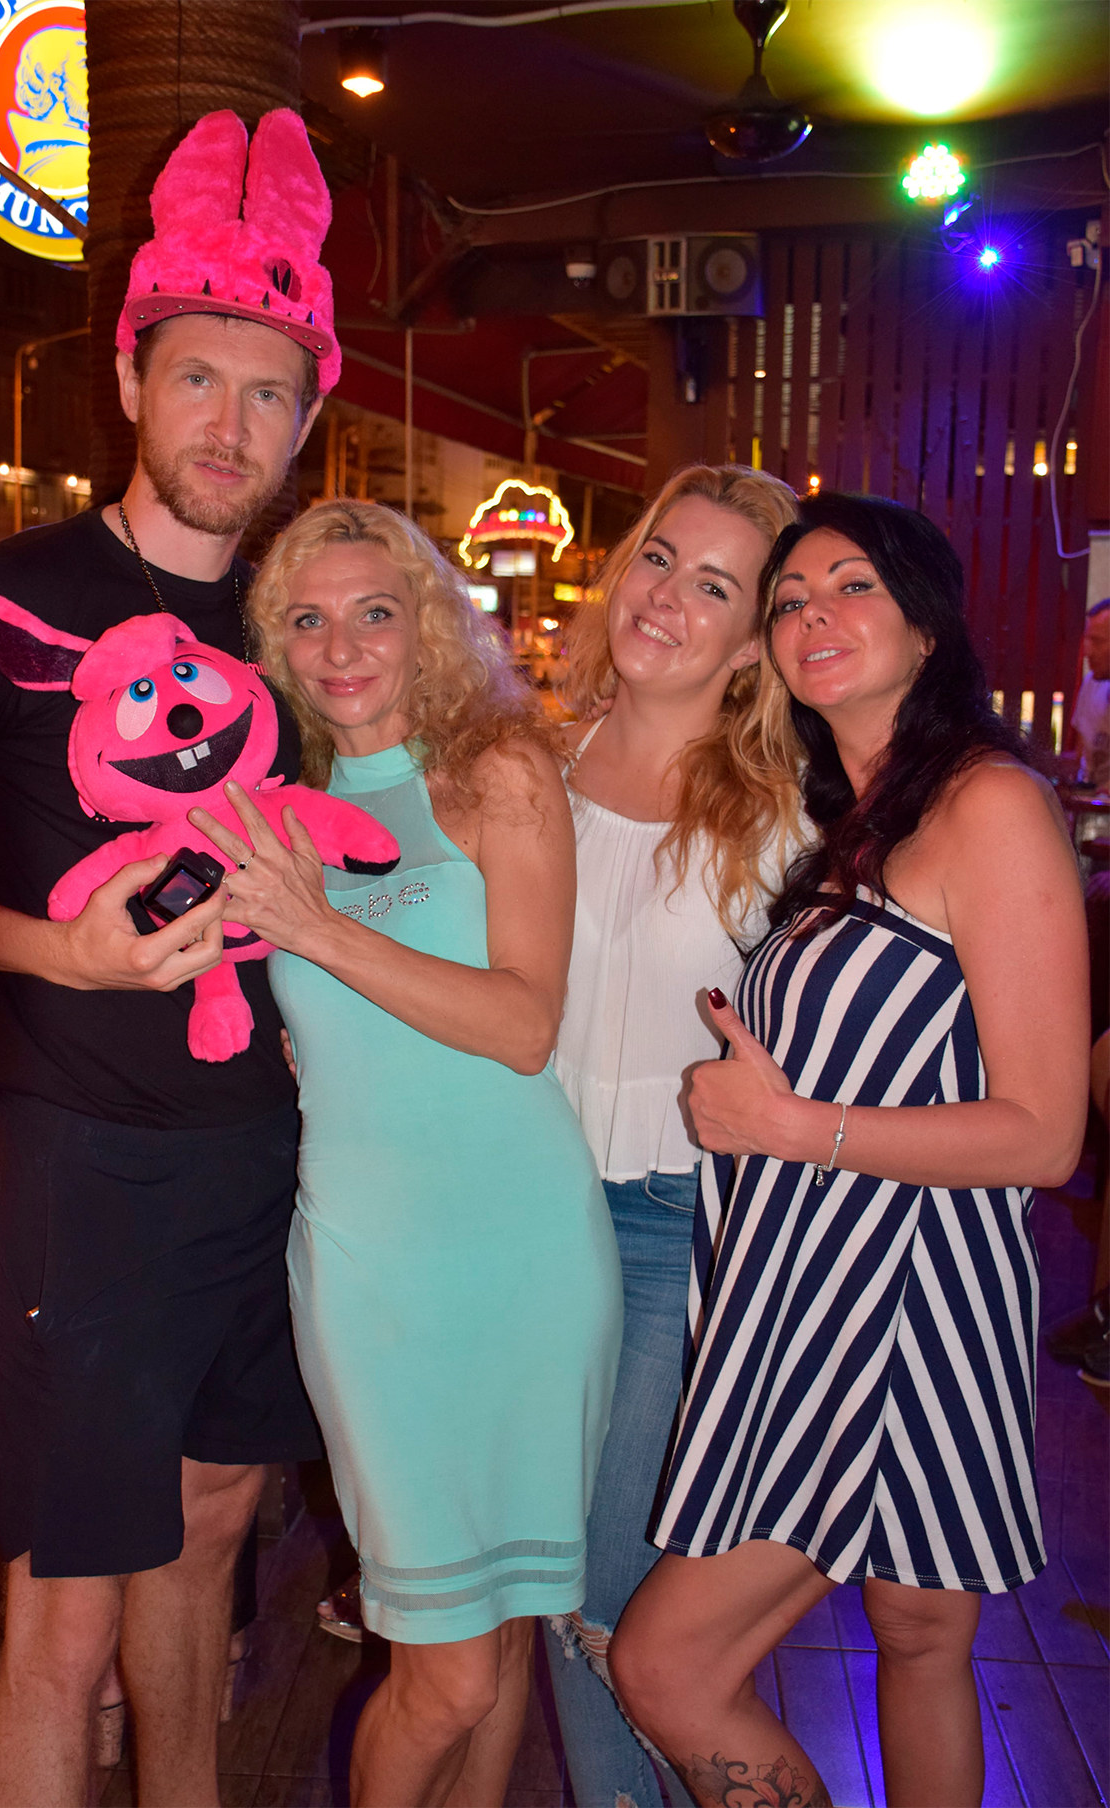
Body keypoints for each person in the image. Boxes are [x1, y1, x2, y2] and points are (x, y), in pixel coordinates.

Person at [0, 108, 339, 1808]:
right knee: (60, 1613)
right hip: (88, 1169)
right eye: (200, 379)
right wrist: (54, 954)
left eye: (268, 394)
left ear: (307, 417)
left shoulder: (309, 626)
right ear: (131, 379)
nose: (230, 424)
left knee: (215, 1533)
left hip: (281, 1159)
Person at [609, 493, 1089, 1808]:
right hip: (822, 1289)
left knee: (667, 1665)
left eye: (853, 585)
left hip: (893, 1305)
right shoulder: (858, 820)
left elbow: (1046, 1133)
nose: (814, 613)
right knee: (919, 1636)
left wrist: (791, 1128)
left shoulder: (990, 805)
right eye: (790, 599)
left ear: (927, 625)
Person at [190, 498, 622, 1808]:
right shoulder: (265, 811)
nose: (342, 648)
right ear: (272, 646)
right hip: (374, 1272)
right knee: (448, 1674)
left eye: (374, 613)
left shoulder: (497, 772)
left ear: (427, 623)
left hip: (531, 1252)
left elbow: (522, 1024)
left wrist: (322, 933)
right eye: (307, 620)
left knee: (505, 1630)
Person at [541, 464, 808, 1808]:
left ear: (755, 641)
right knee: (552, 1588)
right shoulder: (536, 759)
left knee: (608, 1598)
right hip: (524, 1211)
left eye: (716, 586)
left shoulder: (791, 814)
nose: (668, 598)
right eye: (659, 558)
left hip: (673, 1226)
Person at [1070, 598, 1109, 791]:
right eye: (1088, 639)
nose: (1088, 652)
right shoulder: (1090, 684)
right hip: (1088, 802)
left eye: (1097, 641)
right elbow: (1080, 755)